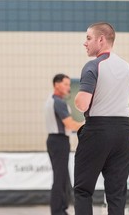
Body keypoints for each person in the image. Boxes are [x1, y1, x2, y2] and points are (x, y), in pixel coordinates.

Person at [74, 22, 129, 215]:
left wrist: (76, 98)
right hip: (123, 133)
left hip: (98, 131)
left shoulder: (93, 66)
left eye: (89, 38)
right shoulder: (127, 67)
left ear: (101, 40)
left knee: (83, 190)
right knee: (116, 192)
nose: (85, 43)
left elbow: (83, 104)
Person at [45, 74, 84, 215]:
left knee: (62, 177)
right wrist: (88, 125)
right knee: (60, 178)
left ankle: (61, 209)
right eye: (66, 84)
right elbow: (70, 124)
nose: (68, 87)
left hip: (55, 140)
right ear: (56, 84)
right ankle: (58, 211)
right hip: (59, 141)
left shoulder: (51, 100)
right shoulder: (58, 102)